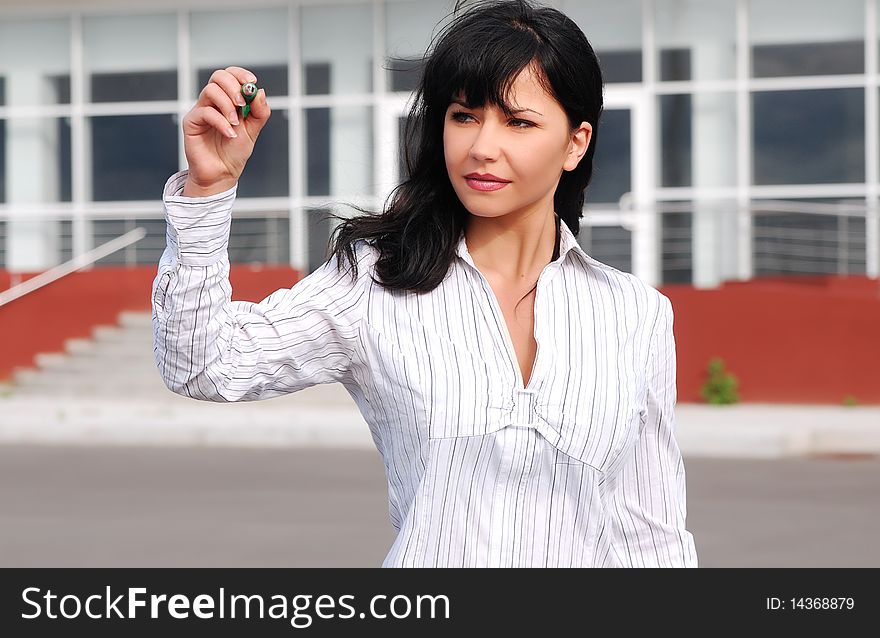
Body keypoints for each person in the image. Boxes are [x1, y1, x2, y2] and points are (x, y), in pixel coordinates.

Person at [152, 0, 698, 568]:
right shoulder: (375, 281)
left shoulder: (636, 315)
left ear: (575, 143)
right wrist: (207, 192)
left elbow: (652, 534)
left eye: (519, 121)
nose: (482, 146)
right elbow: (203, 364)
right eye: (464, 116)